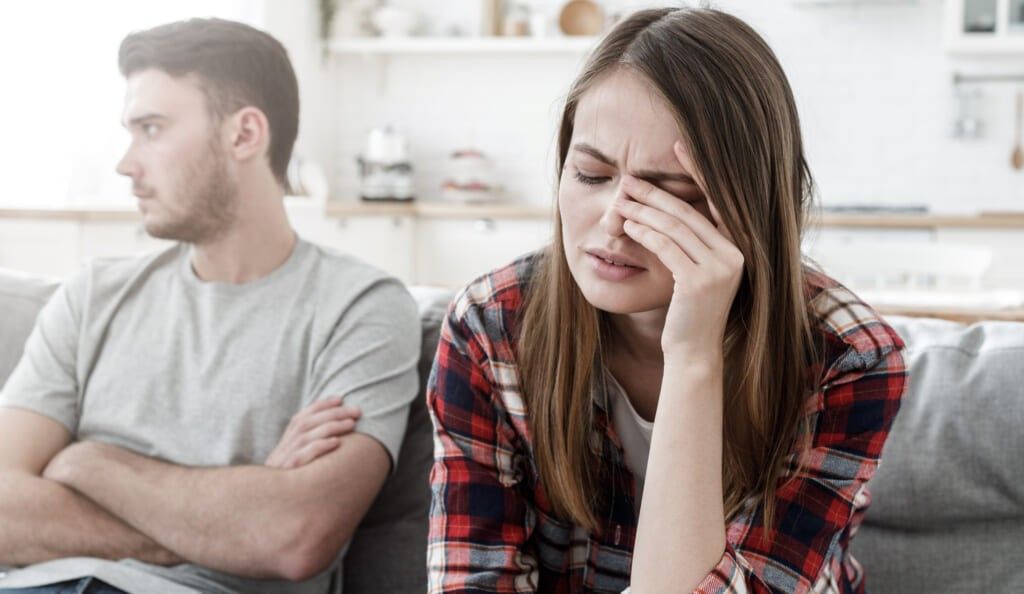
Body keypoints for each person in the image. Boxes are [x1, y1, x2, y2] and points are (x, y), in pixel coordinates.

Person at [426, 7, 906, 593]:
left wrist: (694, 354)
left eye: (668, 197)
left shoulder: (847, 356)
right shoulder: (489, 326)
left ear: (750, 206)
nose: (613, 228)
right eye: (590, 176)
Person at [0, 18, 420, 594]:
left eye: (151, 129)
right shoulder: (92, 296)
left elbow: (293, 536)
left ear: (244, 134)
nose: (126, 164)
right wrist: (228, 518)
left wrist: (89, 463)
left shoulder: (361, 308)